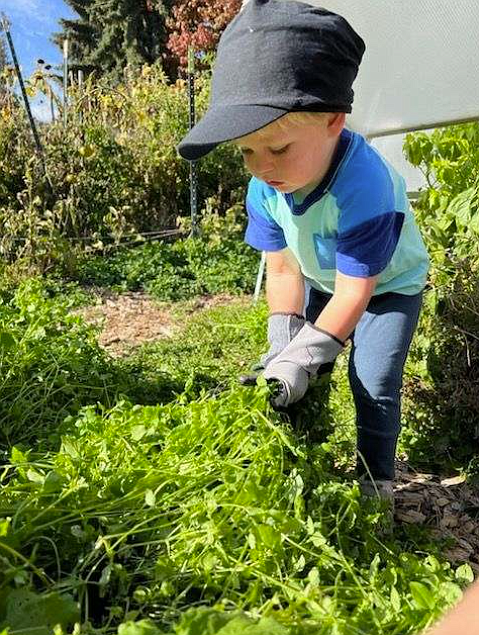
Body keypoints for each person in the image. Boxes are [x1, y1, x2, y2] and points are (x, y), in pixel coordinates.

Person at [178, 0, 430, 501]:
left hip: (384, 289)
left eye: (277, 148)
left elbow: (355, 295)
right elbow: (284, 267)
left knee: (371, 380)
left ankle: (374, 484)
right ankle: (302, 461)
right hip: (321, 280)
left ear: (334, 119)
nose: (260, 165)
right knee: (297, 371)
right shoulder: (265, 186)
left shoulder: (365, 187)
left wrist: (308, 351)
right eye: (246, 151)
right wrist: (283, 343)